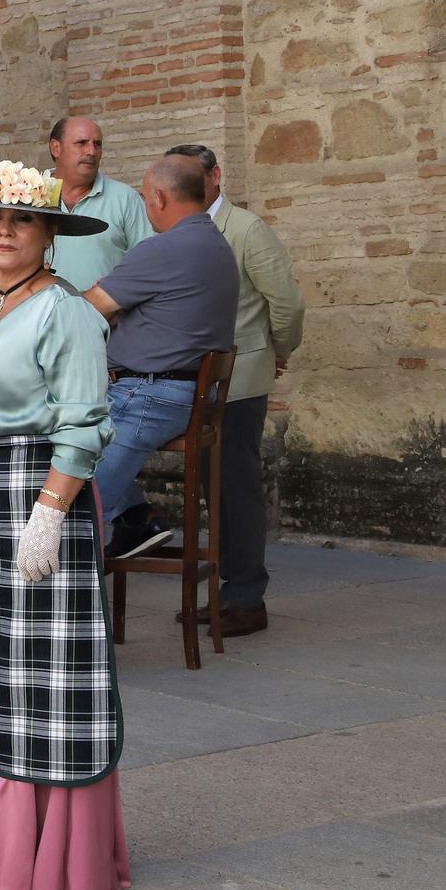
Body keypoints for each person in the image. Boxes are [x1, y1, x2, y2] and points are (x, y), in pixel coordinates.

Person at [0, 161, 127, 890]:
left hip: (46, 496)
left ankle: (52, 860)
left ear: (48, 234)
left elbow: (85, 423)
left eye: (22, 220)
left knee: (47, 680)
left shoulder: (64, 310)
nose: (4, 232)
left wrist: (49, 514)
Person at [163, 145, 304, 637]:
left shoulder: (245, 229)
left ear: (215, 176)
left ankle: (247, 598)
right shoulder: (178, 230)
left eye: (193, 175)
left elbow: (285, 302)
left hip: (239, 382)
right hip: (194, 384)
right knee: (212, 490)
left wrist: (276, 351)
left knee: (237, 488)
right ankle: (227, 592)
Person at [79, 155, 240, 558]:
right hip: (178, 393)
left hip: (147, 396)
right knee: (62, 430)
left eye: (146, 197)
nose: (146, 206)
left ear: (161, 198)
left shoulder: (163, 249)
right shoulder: (216, 243)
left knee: (67, 497)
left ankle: (66, 588)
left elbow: (84, 312)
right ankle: (135, 517)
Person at [43, 116, 151, 293]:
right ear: (56, 148)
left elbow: (150, 264)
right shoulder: (29, 196)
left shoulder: (125, 199)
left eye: (97, 144)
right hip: (40, 317)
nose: (91, 151)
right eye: (81, 143)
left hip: (107, 318)